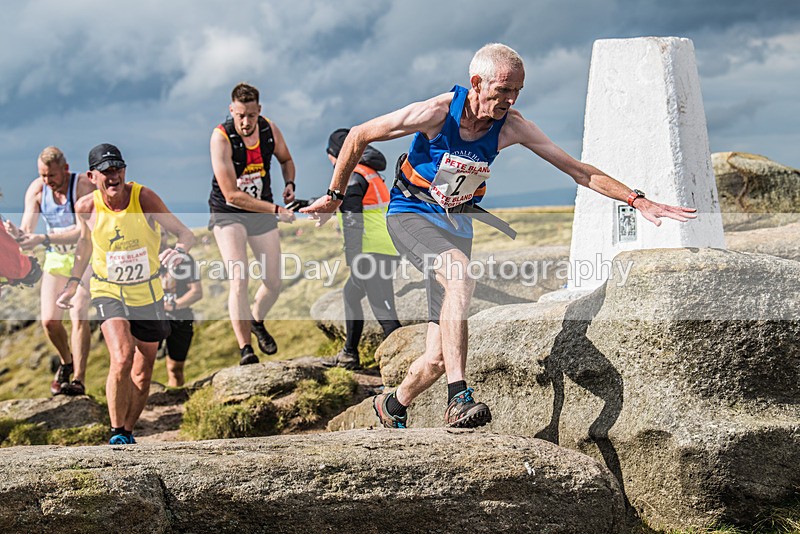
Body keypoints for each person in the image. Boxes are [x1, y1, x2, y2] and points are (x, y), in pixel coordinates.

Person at [302, 43, 697, 429]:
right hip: (412, 215)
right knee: (459, 275)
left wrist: (636, 199)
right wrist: (335, 195)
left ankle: (393, 405)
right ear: (477, 83)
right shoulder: (437, 113)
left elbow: (579, 171)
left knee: (437, 359)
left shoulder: (512, 127)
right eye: (502, 90)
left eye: (517, 91)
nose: (509, 99)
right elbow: (358, 134)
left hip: (456, 226)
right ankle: (459, 397)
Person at [57, 143, 195, 445]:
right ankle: (116, 431)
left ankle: (128, 431)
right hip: (107, 289)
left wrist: (180, 251)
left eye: (117, 169)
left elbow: (186, 233)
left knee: (143, 372)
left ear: (124, 170)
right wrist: (72, 283)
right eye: (105, 171)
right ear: (92, 176)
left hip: (147, 293)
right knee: (121, 356)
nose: (113, 176)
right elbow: (84, 245)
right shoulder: (86, 207)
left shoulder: (144, 197)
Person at [208, 82, 296, 366]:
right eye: (240, 116)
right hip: (228, 212)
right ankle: (245, 348)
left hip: (262, 210)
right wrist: (276, 209)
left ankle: (256, 321)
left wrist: (290, 183)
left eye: (251, 116)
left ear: (259, 111)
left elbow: (286, 159)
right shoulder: (221, 137)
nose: (245, 123)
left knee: (273, 281)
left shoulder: (269, 129)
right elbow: (232, 195)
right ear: (231, 110)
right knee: (239, 278)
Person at [3, 147, 95, 396]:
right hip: (56, 259)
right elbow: (27, 227)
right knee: (50, 322)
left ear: (65, 169)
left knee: (78, 312)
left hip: (84, 256)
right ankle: (67, 362)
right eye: (43, 175)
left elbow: (84, 231)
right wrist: (17, 236)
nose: (47, 181)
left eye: (52, 176)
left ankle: (79, 379)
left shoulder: (83, 186)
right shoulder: (37, 189)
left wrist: (43, 238)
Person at [322, 129, 402, 370]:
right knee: (351, 295)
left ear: (335, 154)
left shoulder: (353, 177)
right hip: (386, 249)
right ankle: (349, 353)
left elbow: (352, 223)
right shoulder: (369, 173)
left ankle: (402, 369)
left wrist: (353, 259)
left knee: (384, 313)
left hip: (370, 253)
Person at [158, 229, 202, 387]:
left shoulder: (183, 259)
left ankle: (176, 398)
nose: (159, 238)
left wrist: (172, 306)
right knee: (141, 365)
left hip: (180, 317)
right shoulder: (142, 260)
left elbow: (197, 292)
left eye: (162, 233)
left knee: (175, 369)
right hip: (151, 319)